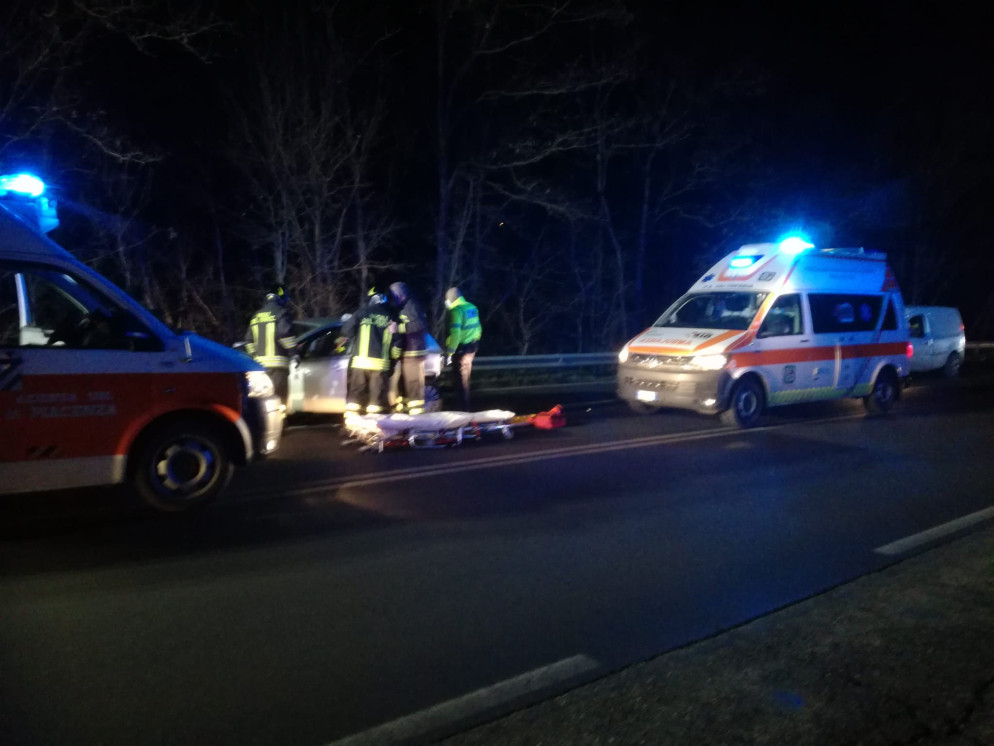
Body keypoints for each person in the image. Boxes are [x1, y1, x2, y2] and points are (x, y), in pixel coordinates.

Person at [339, 290, 395, 415]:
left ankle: (352, 418)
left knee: (356, 394)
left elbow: (346, 330)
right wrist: (393, 363)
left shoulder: (362, 312)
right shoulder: (390, 316)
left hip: (361, 362)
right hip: (380, 364)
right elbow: (396, 340)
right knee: (376, 398)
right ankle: (374, 421)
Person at [245, 284, 295, 406]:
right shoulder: (281, 312)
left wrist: (254, 357)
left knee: (264, 403)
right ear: (280, 296)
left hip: (259, 369)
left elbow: (248, 341)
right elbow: (284, 334)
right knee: (279, 402)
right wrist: (294, 353)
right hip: (278, 369)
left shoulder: (256, 316)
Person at [388, 281, 429, 414]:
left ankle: (416, 416)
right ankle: (406, 414)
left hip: (414, 352)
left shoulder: (412, 306)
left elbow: (420, 325)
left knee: (413, 384)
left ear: (400, 294)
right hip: (408, 352)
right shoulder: (404, 307)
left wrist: (398, 328)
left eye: (393, 295)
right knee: (406, 385)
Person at [444, 286, 482, 411]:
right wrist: (475, 341)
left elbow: (455, 335)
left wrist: (449, 353)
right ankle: (464, 408)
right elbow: (478, 328)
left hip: (461, 349)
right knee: (465, 379)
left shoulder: (456, 311)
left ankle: (463, 410)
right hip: (472, 347)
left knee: (461, 381)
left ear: (451, 299)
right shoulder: (472, 307)